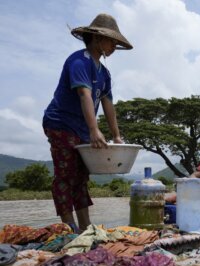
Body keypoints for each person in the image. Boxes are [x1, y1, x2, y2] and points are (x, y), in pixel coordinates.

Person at [42, 13, 133, 232]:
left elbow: (108, 104)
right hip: (60, 123)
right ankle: (68, 226)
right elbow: (84, 94)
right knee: (65, 174)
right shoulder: (78, 61)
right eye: (112, 40)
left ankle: (85, 225)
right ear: (97, 38)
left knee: (81, 176)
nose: (113, 46)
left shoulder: (105, 73)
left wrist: (116, 136)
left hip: (82, 128)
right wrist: (94, 130)